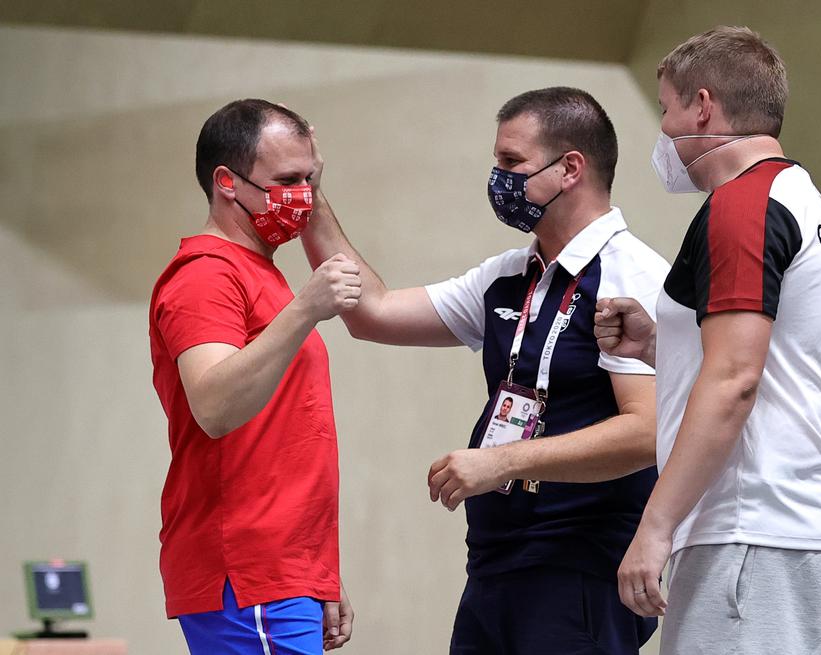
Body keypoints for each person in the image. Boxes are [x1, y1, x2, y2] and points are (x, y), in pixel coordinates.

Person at [303, 87, 670, 654]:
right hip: (496, 564)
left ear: (570, 167)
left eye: (512, 163)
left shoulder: (631, 275)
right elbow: (371, 313)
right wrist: (310, 198)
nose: (498, 179)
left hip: (577, 568)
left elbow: (647, 432)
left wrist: (502, 461)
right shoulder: (508, 276)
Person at [594, 26, 821, 655]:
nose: (662, 130)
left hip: (752, 541)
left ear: (703, 107)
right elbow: (777, 366)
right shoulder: (806, 202)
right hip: (811, 539)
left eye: (666, 109)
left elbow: (736, 380)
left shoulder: (744, 205)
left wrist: (654, 527)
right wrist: (664, 346)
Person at [149, 99, 359, 654]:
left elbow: (289, 440)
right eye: (287, 181)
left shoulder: (259, 272)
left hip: (282, 570)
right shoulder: (205, 276)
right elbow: (215, 406)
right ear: (227, 183)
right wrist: (306, 309)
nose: (302, 197)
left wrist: (317, 572)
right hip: (244, 570)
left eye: (309, 179)